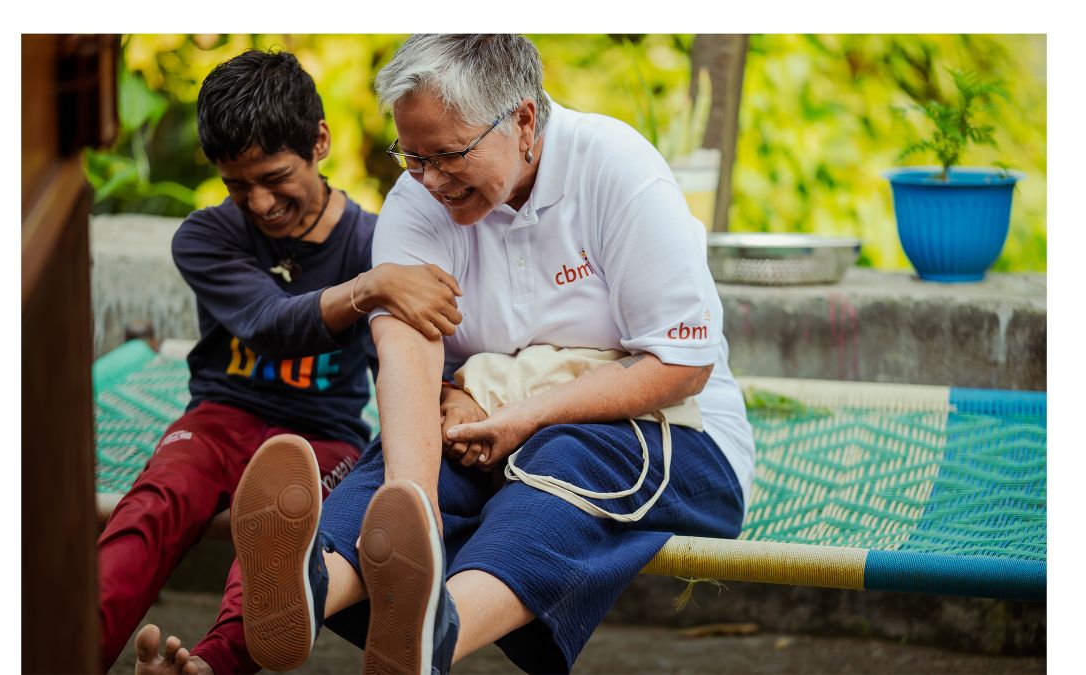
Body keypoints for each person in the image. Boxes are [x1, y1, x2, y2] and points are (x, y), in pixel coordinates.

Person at [231, 34, 756, 674]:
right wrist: (413, 512)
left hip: (676, 436)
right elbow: (409, 360)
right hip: (493, 418)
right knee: (407, 459)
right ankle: (312, 591)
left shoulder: (617, 171)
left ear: (524, 121)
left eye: (449, 155)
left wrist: (526, 417)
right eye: (412, 156)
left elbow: (683, 365)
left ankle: (433, 632)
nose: (429, 179)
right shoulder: (418, 200)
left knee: (563, 457)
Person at [96, 49, 464, 675]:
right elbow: (269, 324)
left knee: (279, 546)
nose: (260, 203)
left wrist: (450, 394)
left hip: (323, 437)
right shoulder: (207, 236)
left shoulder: (378, 241)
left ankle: (213, 665)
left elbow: (407, 359)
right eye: (237, 185)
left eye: (274, 177)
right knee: (155, 501)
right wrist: (370, 287)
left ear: (319, 141)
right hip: (218, 419)